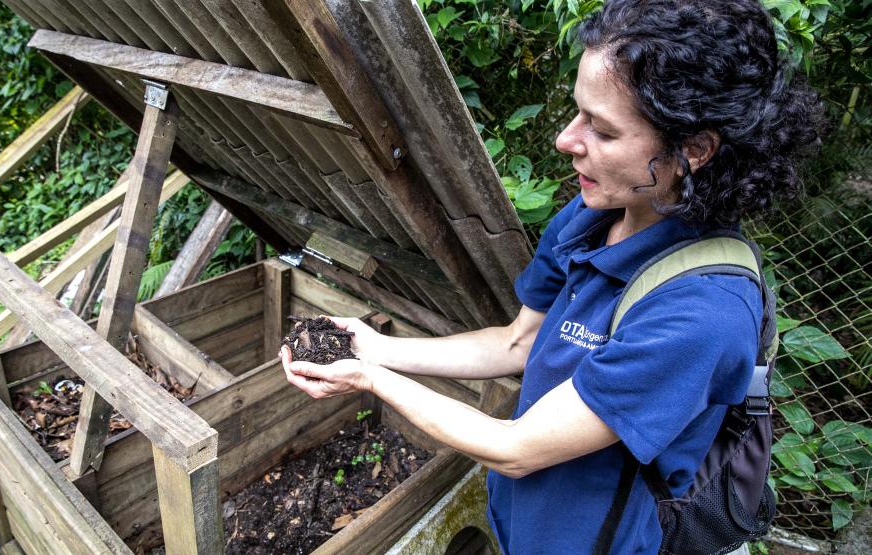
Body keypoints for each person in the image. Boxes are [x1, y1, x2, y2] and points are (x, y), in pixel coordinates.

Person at [279, 0, 824, 552]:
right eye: (578, 112)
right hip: (527, 521)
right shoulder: (591, 215)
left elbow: (516, 448)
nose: (566, 140)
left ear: (695, 150)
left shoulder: (703, 312)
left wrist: (372, 380)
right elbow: (520, 342)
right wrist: (376, 350)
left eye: (603, 130)